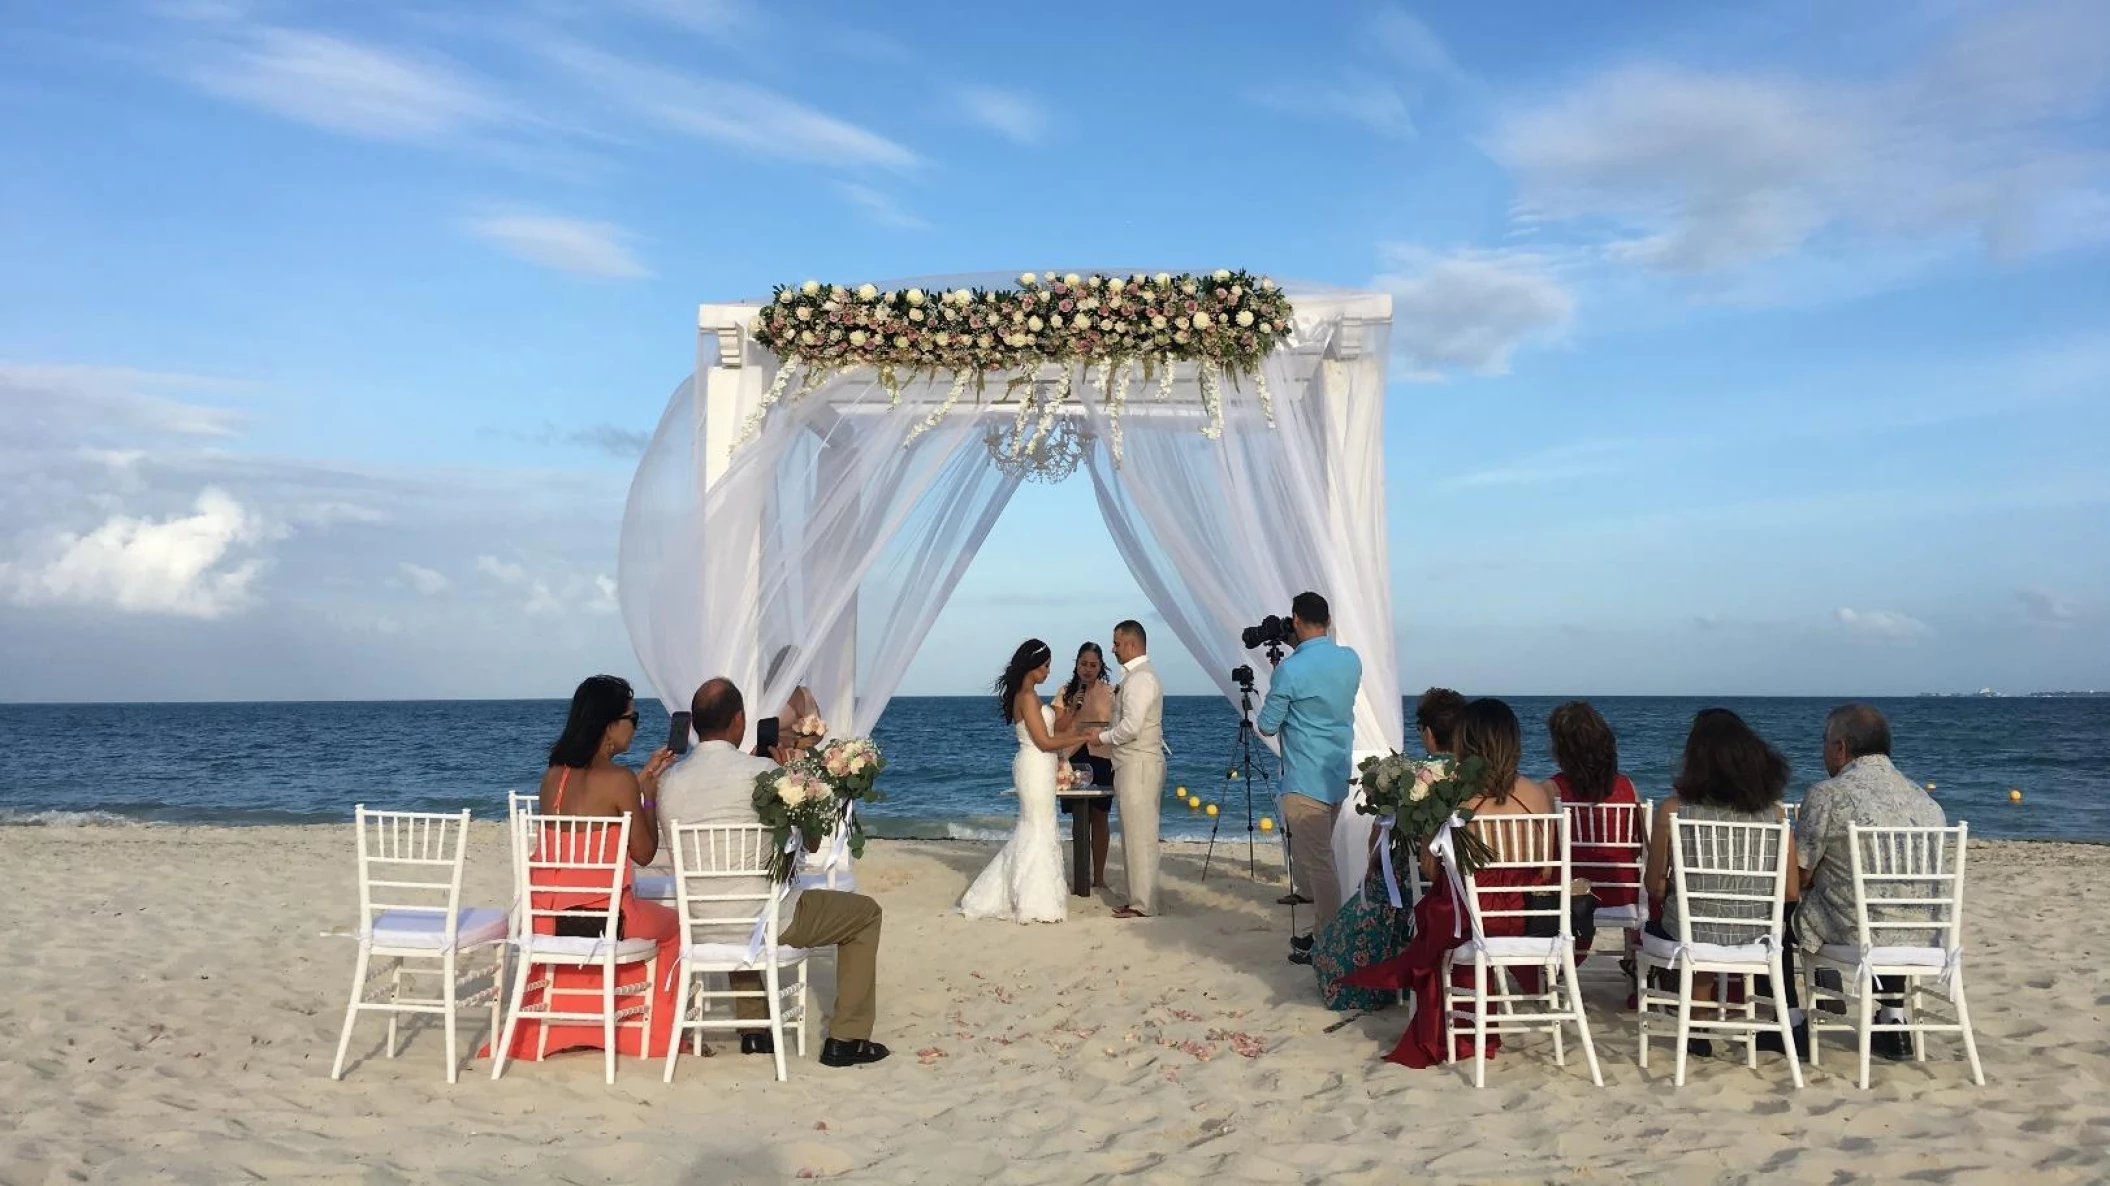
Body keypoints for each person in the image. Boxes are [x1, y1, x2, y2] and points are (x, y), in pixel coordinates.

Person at [653, 677, 893, 1067]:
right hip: (764, 921)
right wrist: (799, 778)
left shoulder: (668, 781)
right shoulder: (761, 772)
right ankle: (847, 1038)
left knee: (736, 901)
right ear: (738, 720)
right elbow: (812, 842)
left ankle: (754, 1031)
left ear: (693, 724)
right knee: (865, 914)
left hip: (702, 922)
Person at [1342, 698, 1556, 1068]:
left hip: (1475, 923)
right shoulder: (1540, 796)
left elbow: (1433, 872)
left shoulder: (1463, 800)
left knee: (1433, 916)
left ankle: (1442, 1019)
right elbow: (1547, 872)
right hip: (1527, 919)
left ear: (1468, 744)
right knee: (1437, 916)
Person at [492, 675, 681, 1062]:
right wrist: (647, 797)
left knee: (637, 915)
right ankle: (651, 1036)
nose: (635, 726)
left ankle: (575, 1025)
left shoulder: (552, 778)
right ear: (610, 724)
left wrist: (639, 781)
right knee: (677, 927)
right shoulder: (620, 780)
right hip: (606, 921)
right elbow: (644, 853)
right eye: (634, 717)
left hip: (551, 919)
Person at [1643, 708, 1800, 1057]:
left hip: (1692, 933)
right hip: (1753, 934)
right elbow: (1790, 892)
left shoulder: (1672, 810)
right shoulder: (1775, 815)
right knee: (1709, 925)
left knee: (1693, 925)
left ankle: (1697, 1026)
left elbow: (1653, 886)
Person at [1795, 702, 1944, 1061]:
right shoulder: (1926, 802)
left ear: (1840, 747)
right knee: (1885, 903)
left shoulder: (1829, 795)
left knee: (1786, 913)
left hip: (1857, 933)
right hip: (1925, 932)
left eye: (1825, 743)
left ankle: (1791, 1018)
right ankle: (1893, 1018)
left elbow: (1800, 872)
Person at [1310, 687, 1466, 1009]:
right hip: (1466, 889)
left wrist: (1371, 864)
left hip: (1416, 887)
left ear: (1427, 733)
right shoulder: (1477, 778)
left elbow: (1380, 831)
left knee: (1332, 942)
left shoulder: (1416, 775)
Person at [960, 640, 1097, 923]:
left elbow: (1053, 728)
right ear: (1033, 666)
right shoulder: (1027, 697)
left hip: (1041, 767)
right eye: (1045, 666)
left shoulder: (1030, 696)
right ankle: (1034, 901)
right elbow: (1045, 742)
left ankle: (1033, 896)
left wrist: (1072, 713)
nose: (1048, 672)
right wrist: (1082, 737)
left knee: (1039, 828)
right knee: (1037, 829)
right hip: (1034, 767)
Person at [1256, 591, 1363, 957]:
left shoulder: (1290, 670)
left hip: (1304, 779)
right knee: (1321, 858)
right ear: (1328, 621)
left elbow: (1267, 726)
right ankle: (1321, 933)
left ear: (1296, 620)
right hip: (1335, 773)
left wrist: (1280, 676)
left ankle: (1329, 945)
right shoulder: (1350, 660)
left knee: (1320, 865)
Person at [1539, 700, 1643, 962]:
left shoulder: (1552, 789)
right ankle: (1634, 964)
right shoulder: (1628, 787)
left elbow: (1544, 852)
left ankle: (1558, 962)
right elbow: (1639, 845)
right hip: (1622, 892)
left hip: (1574, 892)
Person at [1093, 620, 1167, 918]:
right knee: (1135, 833)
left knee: (1141, 836)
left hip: (1138, 764)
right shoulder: (1136, 677)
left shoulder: (1140, 679)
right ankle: (1139, 898)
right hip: (1131, 764)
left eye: (1116, 643)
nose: (1112, 649)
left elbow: (1130, 727)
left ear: (1132, 644)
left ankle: (1143, 904)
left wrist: (1099, 738)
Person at [1053, 642, 1117, 889]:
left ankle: (1099, 877)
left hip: (1101, 757)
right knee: (1079, 816)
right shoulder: (1065, 691)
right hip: (1073, 755)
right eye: (1083, 664)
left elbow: (1117, 726)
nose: (1088, 669)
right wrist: (1071, 708)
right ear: (1076, 664)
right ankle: (1080, 873)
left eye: (1093, 665)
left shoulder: (1111, 692)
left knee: (1100, 816)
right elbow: (1057, 728)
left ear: (1100, 666)